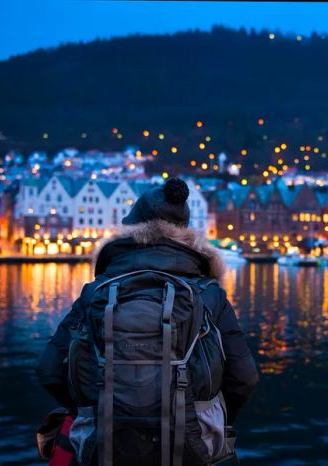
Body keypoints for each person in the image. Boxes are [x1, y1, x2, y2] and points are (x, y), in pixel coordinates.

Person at [35, 177, 259, 465]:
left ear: (130, 232)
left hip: (101, 447)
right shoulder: (209, 295)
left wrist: (91, 408)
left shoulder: (96, 293)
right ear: (185, 235)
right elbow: (244, 377)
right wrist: (207, 416)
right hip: (193, 449)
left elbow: (48, 370)